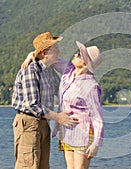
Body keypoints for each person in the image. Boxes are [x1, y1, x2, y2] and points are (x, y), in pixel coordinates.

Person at [12, 32, 79, 169]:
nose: (59, 51)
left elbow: (62, 90)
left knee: (42, 166)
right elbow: (32, 105)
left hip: (43, 123)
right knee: (28, 166)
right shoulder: (31, 70)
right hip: (29, 123)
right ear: (44, 53)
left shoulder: (48, 71)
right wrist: (58, 117)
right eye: (55, 49)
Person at [52, 41, 104, 169]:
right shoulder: (68, 71)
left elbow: (97, 118)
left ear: (86, 63)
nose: (75, 55)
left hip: (83, 132)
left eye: (80, 55)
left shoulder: (91, 86)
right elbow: (52, 60)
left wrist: (96, 144)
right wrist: (32, 54)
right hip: (66, 131)